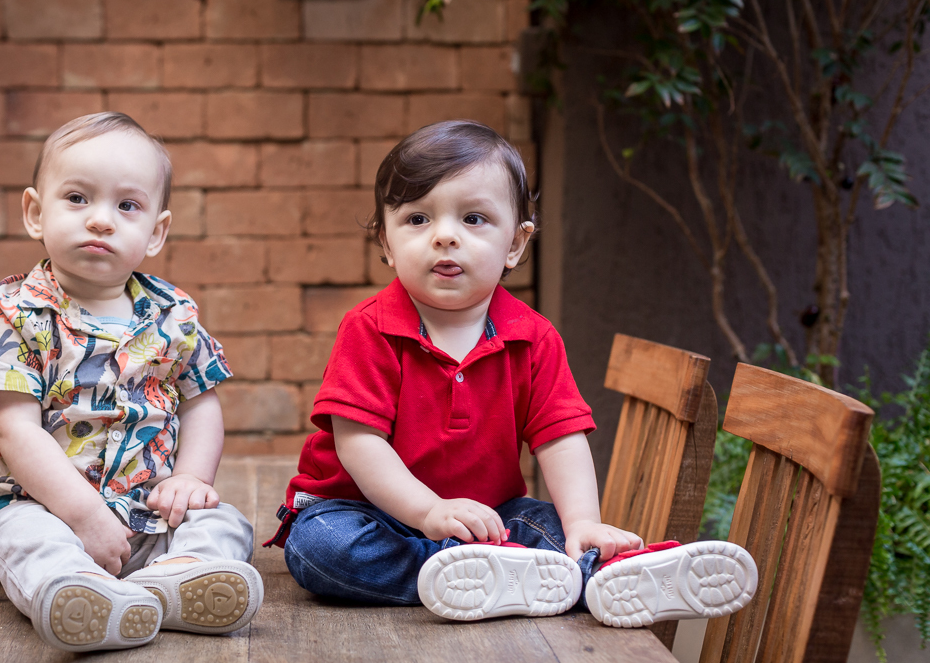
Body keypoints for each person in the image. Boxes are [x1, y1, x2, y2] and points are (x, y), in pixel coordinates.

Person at [265, 120, 757, 627]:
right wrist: (429, 513)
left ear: (517, 244)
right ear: (386, 244)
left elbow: (560, 439)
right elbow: (359, 443)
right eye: (417, 219)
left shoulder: (533, 337)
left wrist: (583, 522)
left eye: (474, 218)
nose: (445, 237)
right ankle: (480, 576)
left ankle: (611, 573)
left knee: (544, 524)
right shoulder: (369, 330)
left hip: (487, 518)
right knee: (318, 547)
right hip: (365, 511)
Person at [0, 112, 263, 653]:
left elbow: (200, 404)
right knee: (29, 541)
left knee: (224, 520)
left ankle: (176, 579)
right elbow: (14, 431)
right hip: (41, 507)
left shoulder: (173, 314)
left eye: (127, 205)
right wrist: (84, 515)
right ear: (34, 212)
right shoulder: (13, 313)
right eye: (77, 199)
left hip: (147, 511)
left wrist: (189, 479)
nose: (101, 220)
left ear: (155, 232)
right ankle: (78, 593)